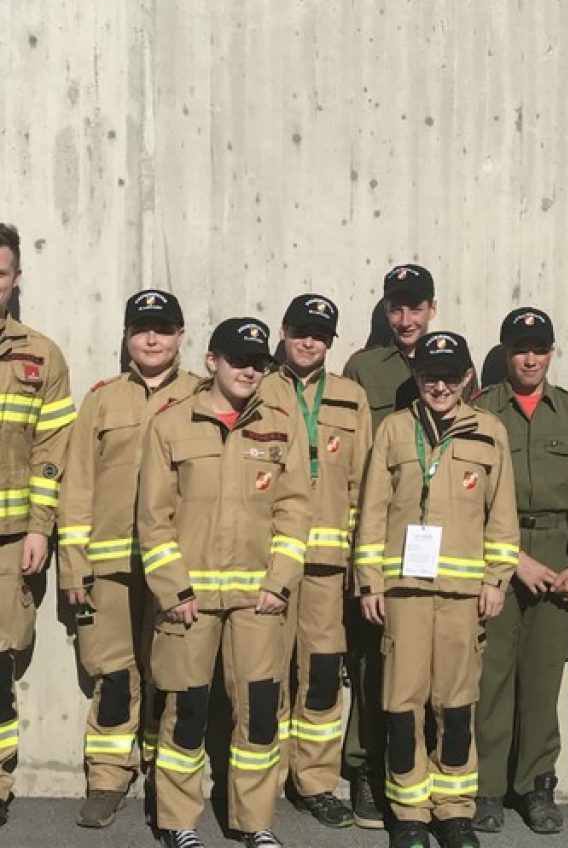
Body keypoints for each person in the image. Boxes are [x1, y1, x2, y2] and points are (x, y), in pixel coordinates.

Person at [138, 317, 312, 848]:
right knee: (186, 712)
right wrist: (174, 589)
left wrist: (278, 584)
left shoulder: (283, 424)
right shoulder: (171, 425)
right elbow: (153, 517)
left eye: (258, 362)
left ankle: (254, 821)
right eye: (237, 359)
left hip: (257, 604)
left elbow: (295, 511)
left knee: (261, 713)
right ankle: (177, 822)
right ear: (212, 361)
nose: (248, 370)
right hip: (188, 602)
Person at [354, 331, 518, 848]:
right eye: (429, 377)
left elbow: (503, 518)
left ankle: (453, 811)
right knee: (402, 703)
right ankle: (409, 812)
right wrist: (368, 581)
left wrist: (496, 581)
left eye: (450, 376)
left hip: (462, 595)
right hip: (402, 592)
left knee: (456, 704)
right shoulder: (394, 431)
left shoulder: (489, 432)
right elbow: (372, 510)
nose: (440, 386)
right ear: (417, 379)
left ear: (468, 378)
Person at [57, 289, 199, 828]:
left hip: (175, 567)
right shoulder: (102, 400)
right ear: (126, 336)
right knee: (114, 676)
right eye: (142, 327)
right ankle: (109, 777)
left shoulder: (202, 397)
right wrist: (74, 564)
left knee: (170, 675)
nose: (152, 337)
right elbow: (77, 487)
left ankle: (167, 780)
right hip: (110, 568)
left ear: (181, 335)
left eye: (163, 327)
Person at [343, 264, 477, 827]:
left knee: (445, 684)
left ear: (431, 309)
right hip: (383, 541)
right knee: (377, 669)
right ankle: (368, 774)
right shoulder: (362, 367)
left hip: (445, 560)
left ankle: (445, 798)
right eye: (396, 307)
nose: (405, 318)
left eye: (414, 307)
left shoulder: (456, 380)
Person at [472, 308, 568, 835]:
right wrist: (505, 559)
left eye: (539, 349)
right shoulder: (479, 410)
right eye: (520, 348)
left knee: (543, 681)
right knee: (491, 679)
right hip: (500, 552)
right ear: (505, 353)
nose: (530, 358)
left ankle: (537, 785)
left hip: (556, 554)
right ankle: (487, 789)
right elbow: (469, 494)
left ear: (551, 353)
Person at [260, 294, 372, 828]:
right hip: (269, 562)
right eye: (301, 330)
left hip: (329, 565)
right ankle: (265, 779)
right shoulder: (257, 385)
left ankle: (316, 781)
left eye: (320, 334)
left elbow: (365, 486)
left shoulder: (351, 397)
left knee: (322, 674)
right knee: (267, 672)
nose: (309, 341)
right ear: (283, 332)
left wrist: (359, 560)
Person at [0, 222, 76, 826]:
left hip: (8, 541)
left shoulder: (41, 355)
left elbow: (54, 449)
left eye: (1, 272)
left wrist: (39, 528)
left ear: (15, 279)